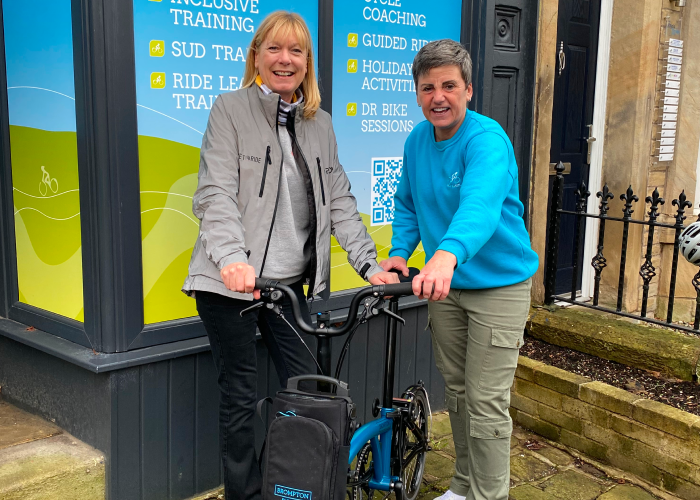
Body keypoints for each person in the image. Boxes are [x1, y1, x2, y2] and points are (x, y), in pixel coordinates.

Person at [182, 11, 398, 500]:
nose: (285, 59)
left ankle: (290, 487)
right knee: (239, 398)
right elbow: (214, 193)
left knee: (305, 391)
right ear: (256, 56)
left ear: (307, 63)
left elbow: (339, 200)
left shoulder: (318, 124)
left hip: (288, 291)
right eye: (274, 48)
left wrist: (369, 262)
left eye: (296, 51)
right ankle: (245, 494)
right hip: (228, 285)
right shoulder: (230, 109)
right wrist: (233, 259)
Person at [380, 39, 539, 500]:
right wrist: (399, 250)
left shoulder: (486, 139)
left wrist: (445, 256)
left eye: (449, 85)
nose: (438, 97)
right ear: (417, 93)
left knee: (487, 403)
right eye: (427, 87)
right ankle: (464, 485)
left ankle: (491, 495)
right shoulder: (416, 140)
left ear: (468, 89)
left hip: (498, 287)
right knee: (459, 395)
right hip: (448, 289)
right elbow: (408, 203)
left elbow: (480, 207)